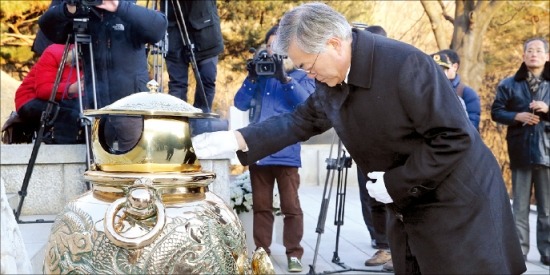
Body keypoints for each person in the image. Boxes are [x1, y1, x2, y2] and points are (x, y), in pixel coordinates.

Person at [191, 3, 527, 274]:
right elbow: (301, 120)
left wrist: (395, 183)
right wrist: (236, 139)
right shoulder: (331, 79)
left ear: (334, 44)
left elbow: (454, 138)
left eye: (308, 65)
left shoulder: (405, 64)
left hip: (457, 205)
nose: (307, 74)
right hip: (408, 203)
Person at [233, 25, 315, 273]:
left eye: (278, 46)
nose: (272, 51)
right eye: (269, 46)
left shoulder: (301, 75)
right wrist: (251, 79)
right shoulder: (261, 74)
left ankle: (294, 253)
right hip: (259, 151)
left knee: (291, 207)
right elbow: (240, 103)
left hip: (287, 151)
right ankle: (262, 253)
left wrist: (285, 78)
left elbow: (307, 104)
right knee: (261, 207)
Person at [38, 0, 167, 150]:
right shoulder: (85, 14)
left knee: (135, 157)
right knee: (98, 159)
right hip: (97, 103)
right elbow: (48, 28)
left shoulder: (128, 11)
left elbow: (158, 28)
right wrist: (68, 9)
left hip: (131, 103)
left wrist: (117, 6)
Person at [491, 37, 550, 266]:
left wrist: (547, 109)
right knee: (520, 206)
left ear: (547, 56)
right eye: (529, 51)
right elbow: (496, 111)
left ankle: (547, 251)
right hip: (520, 150)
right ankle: (520, 250)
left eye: (538, 51)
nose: (533, 54)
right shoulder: (508, 84)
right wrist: (517, 116)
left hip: (547, 152)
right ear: (523, 56)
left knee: (547, 207)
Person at [355, 24, 392, 272]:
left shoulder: (396, 71)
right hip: (365, 150)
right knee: (372, 200)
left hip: (392, 152)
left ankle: (399, 251)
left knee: (394, 201)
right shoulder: (358, 76)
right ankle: (382, 245)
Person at [160, 0, 224, 113]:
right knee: (177, 84)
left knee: (206, 79)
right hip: (173, 27)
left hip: (205, 28)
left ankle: (200, 124)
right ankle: (178, 122)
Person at [15, 43, 83, 144]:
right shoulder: (55, 52)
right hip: (31, 99)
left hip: (66, 102)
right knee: (68, 113)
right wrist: (71, 88)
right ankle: (63, 154)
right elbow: (43, 89)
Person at [436, 49, 481, 130]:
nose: (440, 71)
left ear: (455, 66)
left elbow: (472, 126)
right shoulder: (430, 90)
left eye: (443, 67)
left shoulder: (466, 93)